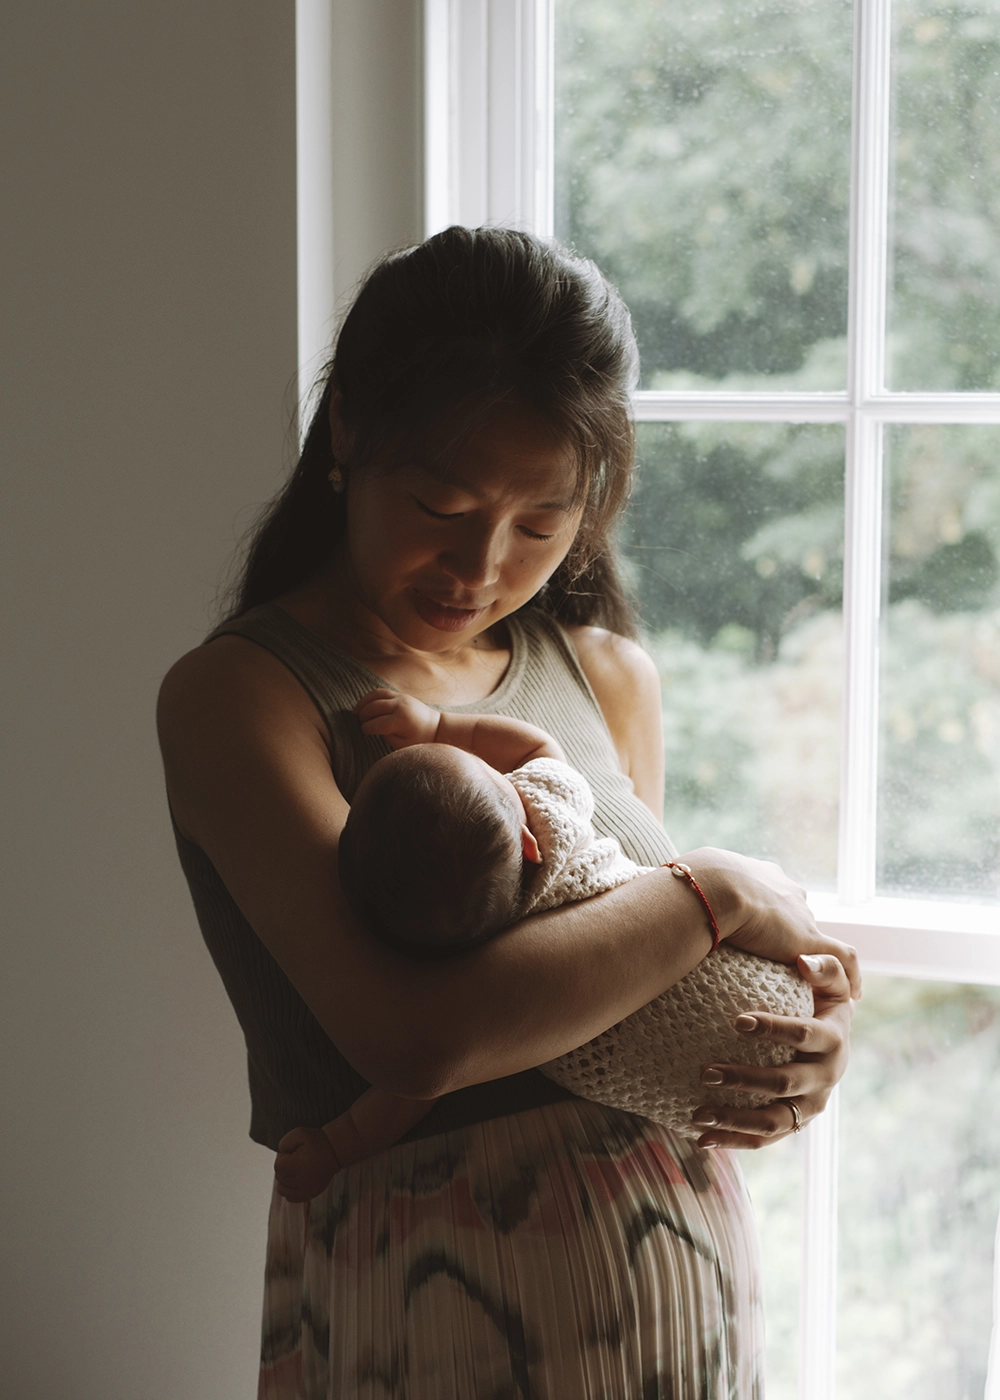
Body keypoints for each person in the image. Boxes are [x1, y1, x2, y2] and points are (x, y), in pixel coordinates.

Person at [157, 225, 859, 1398]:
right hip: (425, 1292)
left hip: (678, 1273)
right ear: (346, 436)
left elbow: (620, 972)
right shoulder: (245, 693)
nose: (482, 564)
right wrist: (718, 890)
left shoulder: (602, 672)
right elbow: (412, 1037)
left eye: (540, 522)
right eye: (441, 504)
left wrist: (787, 1052)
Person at [273, 689, 814, 1203]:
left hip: (712, 1099)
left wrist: (337, 1144)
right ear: (530, 842)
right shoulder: (555, 815)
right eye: (496, 777)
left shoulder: (477, 971)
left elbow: (409, 1095)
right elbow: (539, 747)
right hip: (762, 992)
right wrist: (439, 726)